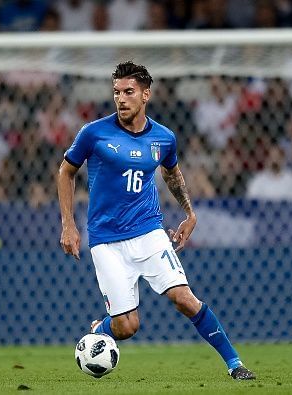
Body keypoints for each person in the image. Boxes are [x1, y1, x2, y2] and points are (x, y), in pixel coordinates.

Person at [56, 61, 255, 380]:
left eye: (129, 92)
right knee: (127, 327)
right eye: (116, 92)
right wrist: (68, 223)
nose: (121, 98)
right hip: (107, 241)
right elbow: (66, 172)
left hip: (149, 232)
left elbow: (172, 173)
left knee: (185, 299)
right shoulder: (93, 133)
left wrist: (189, 213)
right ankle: (102, 326)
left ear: (145, 95)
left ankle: (235, 364)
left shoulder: (163, 138)